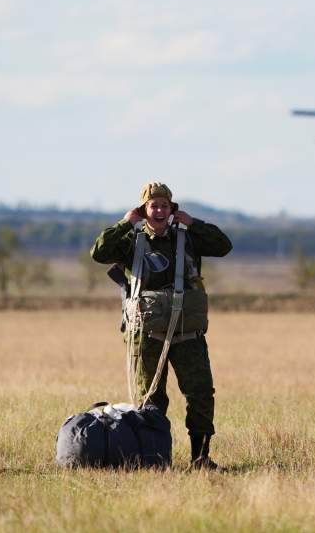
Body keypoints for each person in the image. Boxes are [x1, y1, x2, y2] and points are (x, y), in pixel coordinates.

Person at [90, 182, 232, 469]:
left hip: (187, 333)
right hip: (147, 334)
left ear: (172, 210)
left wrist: (194, 223)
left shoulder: (188, 238)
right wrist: (125, 223)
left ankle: (200, 457)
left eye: (164, 205)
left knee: (201, 393)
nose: (159, 210)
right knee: (151, 398)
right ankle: (155, 459)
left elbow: (223, 245)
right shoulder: (132, 241)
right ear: (144, 209)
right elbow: (99, 252)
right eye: (153, 205)